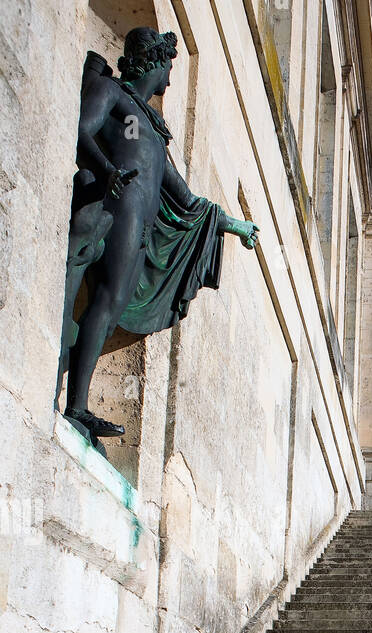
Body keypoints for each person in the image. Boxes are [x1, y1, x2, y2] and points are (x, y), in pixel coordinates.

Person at [60, 27, 259, 444]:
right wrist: (108, 169)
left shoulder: (151, 126)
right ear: (150, 62)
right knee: (104, 301)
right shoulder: (113, 95)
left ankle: (79, 400)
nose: (168, 80)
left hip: (141, 224)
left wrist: (235, 225)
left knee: (111, 307)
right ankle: (75, 404)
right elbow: (80, 129)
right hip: (116, 208)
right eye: (167, 68)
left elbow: (184, 195)